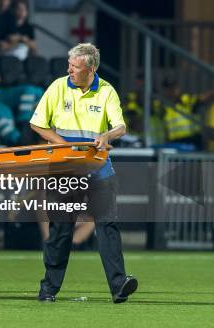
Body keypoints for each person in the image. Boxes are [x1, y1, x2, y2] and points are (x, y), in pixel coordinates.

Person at [29, 42, 138, 303]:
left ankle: (118, 285)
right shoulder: (57, 87)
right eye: (69, 65)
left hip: (99, 170)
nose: (69, 70)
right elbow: (37, 124)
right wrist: (62, 145)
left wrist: (106, 135)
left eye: (75, 67)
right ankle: (49, 288)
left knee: (107, 225)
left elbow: (120, 127)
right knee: (60, 231)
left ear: (90, 69)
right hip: (63, 170)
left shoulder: (107, 91)